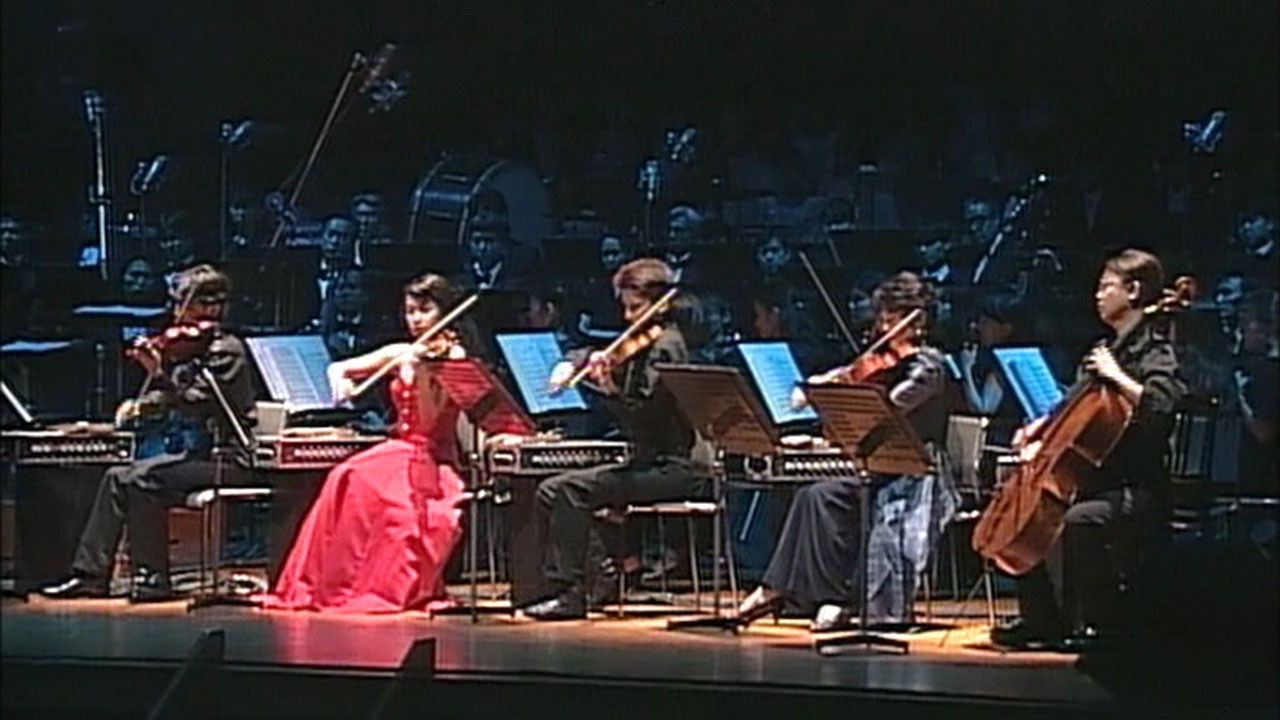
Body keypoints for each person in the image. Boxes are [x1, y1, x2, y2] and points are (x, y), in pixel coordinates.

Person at [735, 272, 955, 630]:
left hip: (914, 471)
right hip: (879, 465)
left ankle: (834, 598)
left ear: (917, 322)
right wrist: (825, 386)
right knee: (809, 495)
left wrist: (840, 394)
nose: (883, 326)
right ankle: (783, 589)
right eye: (882, 317)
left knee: (825, 497)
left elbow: (885, 411)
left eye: (892, 318)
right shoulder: (887, 360)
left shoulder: (928, 368)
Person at [991, 248, 1185, 651]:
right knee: (1030, 510)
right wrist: (1038, 430)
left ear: (1134, 291)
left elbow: (1162, 406)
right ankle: (1041, 619)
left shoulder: (1155, 351)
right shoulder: (1102, 349)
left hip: (1132, 485)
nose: (1097, 295)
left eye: (1106, 287)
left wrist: (1117, 376)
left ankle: (1097, 622)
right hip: (1091, 478)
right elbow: (1071, 405)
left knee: (1079, 519)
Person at [40, 264, 255, 602]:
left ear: (210, 306)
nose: (175, 312)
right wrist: (139, 405)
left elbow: (195, 402)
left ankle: (153, 577)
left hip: (227, 458)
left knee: (144, 480)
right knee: (117, 476)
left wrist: (158, 374)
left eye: (181, 303)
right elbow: (172, 395)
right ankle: (90, 574)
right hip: (196, 455)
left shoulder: (226, 351)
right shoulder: (193, 348)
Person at [261, 273, 470, 613]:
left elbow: (432, 421)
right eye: (410, 311)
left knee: (391, 500)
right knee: (344, 476)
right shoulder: (403, 351)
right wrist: (341, 384)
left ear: (444, 313)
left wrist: (423, 375)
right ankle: (336, 582)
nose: (416, 320)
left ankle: (391, 586)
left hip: (433, 457)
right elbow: (339, 368)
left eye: (425, 310)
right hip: (400, 447)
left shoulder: (454, 358)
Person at [523, 258, 707, 620]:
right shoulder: (645, 340)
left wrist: (607, 389)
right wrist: (572, 362)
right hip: (651, 462)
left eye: (635, 308)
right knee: (550, 490)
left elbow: (647, 417)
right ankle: (600, 576)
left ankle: (574, 591)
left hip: (678, 467)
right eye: (624, 307)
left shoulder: (667, 346)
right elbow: (600, 350)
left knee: (568, 490)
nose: (627, 317)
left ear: (660, 304)